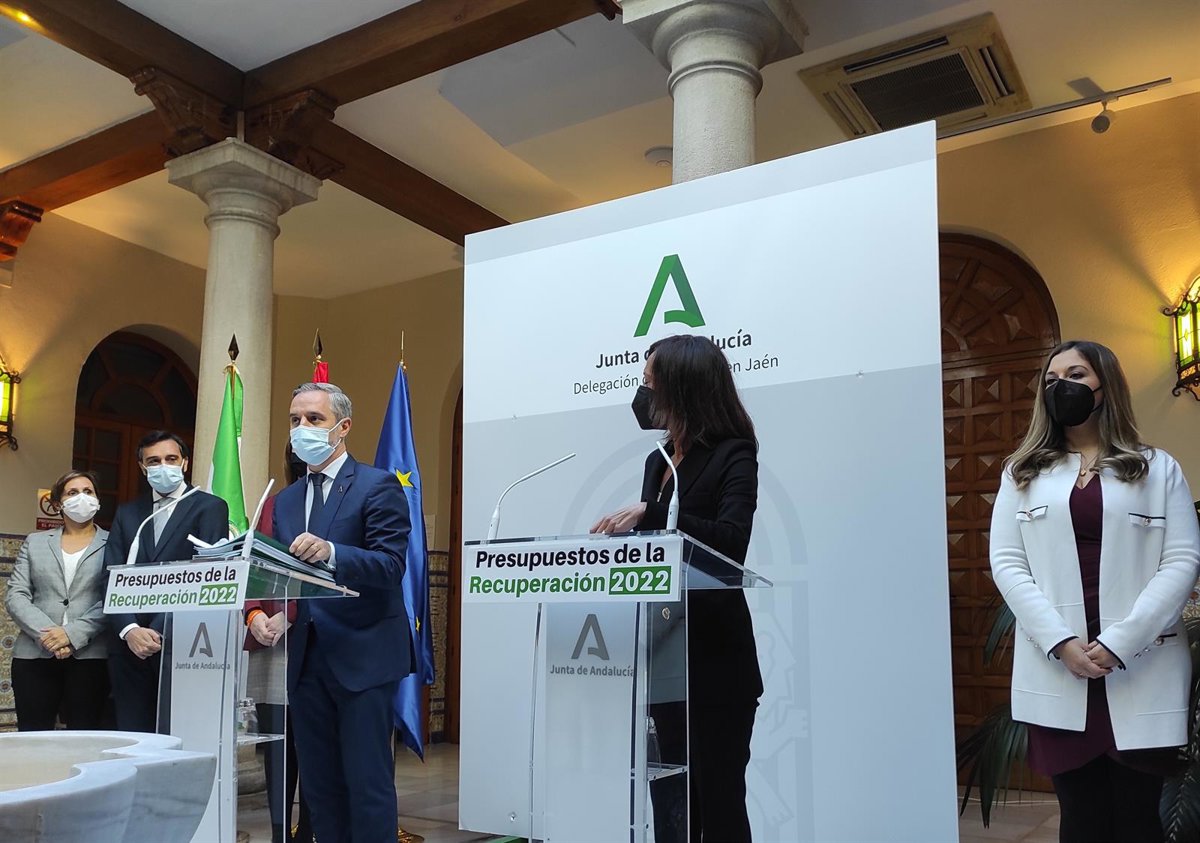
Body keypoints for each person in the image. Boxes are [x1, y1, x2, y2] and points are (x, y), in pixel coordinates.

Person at [990, 340, 1200, 843]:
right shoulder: (1022, 472)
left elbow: (1182, 560)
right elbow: (1007, 562)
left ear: (1106, 385)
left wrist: (1120, 643)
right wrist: (1060, 641)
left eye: (1076, 375)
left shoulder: (1157, 468)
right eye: (1052, 379)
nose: (1061, 386)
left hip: (1141, 663)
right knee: (1081, 819)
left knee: (1137, 820)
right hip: (1060, 665)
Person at [591, 334, 762, 843]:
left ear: (682, 387)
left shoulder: (734, 454)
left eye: (650, 382)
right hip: (664, 661)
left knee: (719, 804)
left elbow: (731, 542)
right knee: (671, 808)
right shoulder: (659, 461)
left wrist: (655, 513)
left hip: (716, 663)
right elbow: (657, 554)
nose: (643, 393)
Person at [273, 382, 412, 843]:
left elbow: (391, 566)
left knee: (367, 783)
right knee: (319, 788)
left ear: (343, 426)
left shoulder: (378, 484)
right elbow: (291, 574)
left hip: (363, 656)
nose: (302, 428)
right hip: (306, 658)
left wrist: (333, 552)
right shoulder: (287, 499)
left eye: (315, 419)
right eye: (295, 420)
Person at [103, 430, 229, 732]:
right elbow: (110, 574)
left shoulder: (209, 507)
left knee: (177, 737)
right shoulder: (128, 513)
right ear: (142, 467)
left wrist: (158, 630)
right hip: (129, 647)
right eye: (154, 461)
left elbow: (207, 574)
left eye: (171, 459)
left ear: (184, 462)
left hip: (182, 644)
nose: (163, 466)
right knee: (134, 739)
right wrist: (130, 630)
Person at [245, 443, 313, 843]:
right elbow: (251, 563)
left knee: (314, 745)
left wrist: (290, 614)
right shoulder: (272, 504)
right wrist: (253, 615)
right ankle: (278, 833)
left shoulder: (339, 502)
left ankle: (310, 832)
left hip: (314, 636)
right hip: (271, 641)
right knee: (276, 747)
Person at [5, 470, 110, 730]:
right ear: (57, 503)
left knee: (84, 737)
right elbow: (16, 594)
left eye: (88, 492)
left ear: (98, 500)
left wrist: (71, 635)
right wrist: (50, 636)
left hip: (91, 656)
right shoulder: (36, 542)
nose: (82, 498)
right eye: (72, 493)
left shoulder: (114, 543)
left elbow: (113, 598)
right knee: (33, 736)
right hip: (35, 655)